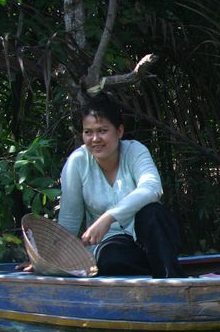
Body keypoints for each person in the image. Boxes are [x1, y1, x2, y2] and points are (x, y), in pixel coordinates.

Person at [57, 95, 184, 277]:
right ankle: (161, 275)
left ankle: (171, 283)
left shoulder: (135, 151)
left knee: (153, 212)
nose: (95, 139)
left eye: (102, 131)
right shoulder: (77, 162)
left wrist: (109, 217)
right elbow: (69, 220)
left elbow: (152, 187)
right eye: (88, 132)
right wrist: (49, 259)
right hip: (114, 247)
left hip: (151, 241)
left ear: (119, 131)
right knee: (112, 260)